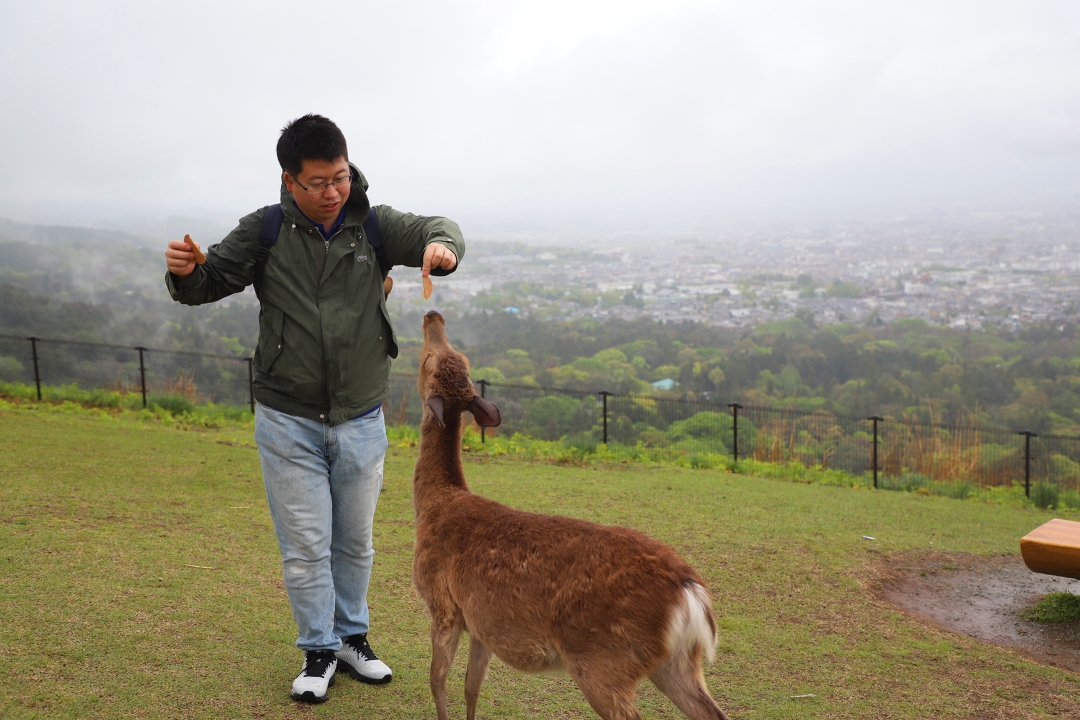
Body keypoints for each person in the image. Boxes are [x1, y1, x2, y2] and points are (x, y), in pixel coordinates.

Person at [164, 114, 463, 704]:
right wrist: (184, 272)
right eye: (319, 182)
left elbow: (438, 225)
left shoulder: (372, 225)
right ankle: (318, 649)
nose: (333, 192)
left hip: (360, 418)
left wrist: (441, 247)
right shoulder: (267, 230)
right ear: (289, 180)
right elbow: (209, 281)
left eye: (341, 177)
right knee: (305, 545)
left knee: (354, 542)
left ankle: (354, 639)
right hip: (287, 419)